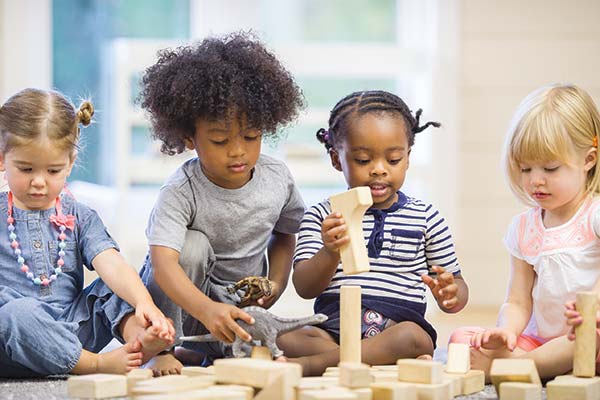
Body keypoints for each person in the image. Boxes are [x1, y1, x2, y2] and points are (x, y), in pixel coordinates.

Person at [136, 32, 306, 374]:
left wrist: (275, 282)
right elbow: (164, 264)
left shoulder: (277, 178)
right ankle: (164, 347)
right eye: (219, 139)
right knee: (192, 246)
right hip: (187, 307)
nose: (238, 150)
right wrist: (205, 310)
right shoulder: (180, 190)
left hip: (238, 308)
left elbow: (287, 234)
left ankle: (208, 352)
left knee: (299, 343)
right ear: (188, 137)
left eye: (251, 136)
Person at [277, 90, 469, 376]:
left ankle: (313, 366)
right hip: (333, 329)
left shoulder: (426, 217)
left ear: (407, 158)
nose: (379, 170)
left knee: (414, 338)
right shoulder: (321, 216)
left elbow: (457, 285)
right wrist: (330, 251)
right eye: (364, 160)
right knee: (283, 335)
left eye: (393, 160)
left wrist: (451, 294)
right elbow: (306, 288)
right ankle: (367, 360)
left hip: (395, 330)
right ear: (336, 159)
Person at [0, 88, 174, 378]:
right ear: (2, 159)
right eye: (26, 168)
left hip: (73, 329)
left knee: (116, 286)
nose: (39, 182)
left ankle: (141, 344)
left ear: (70, 162)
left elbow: (111, 263)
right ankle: (96, 365)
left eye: (53, 171)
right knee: (16, 312)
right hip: (12, 339)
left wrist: (144, 302)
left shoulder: (80, 215)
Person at [449, 83, 600, 380]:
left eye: (550, 168)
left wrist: (591, 308)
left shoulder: (594, 215)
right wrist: (506, 330)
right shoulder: (523, 228)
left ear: (588, 160)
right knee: (461, 341)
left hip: (586, 336)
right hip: (539, 342)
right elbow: (518, 301)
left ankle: (516, 368)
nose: (536, 181)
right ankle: (534, 365)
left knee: (585, 337)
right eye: (526, 168)